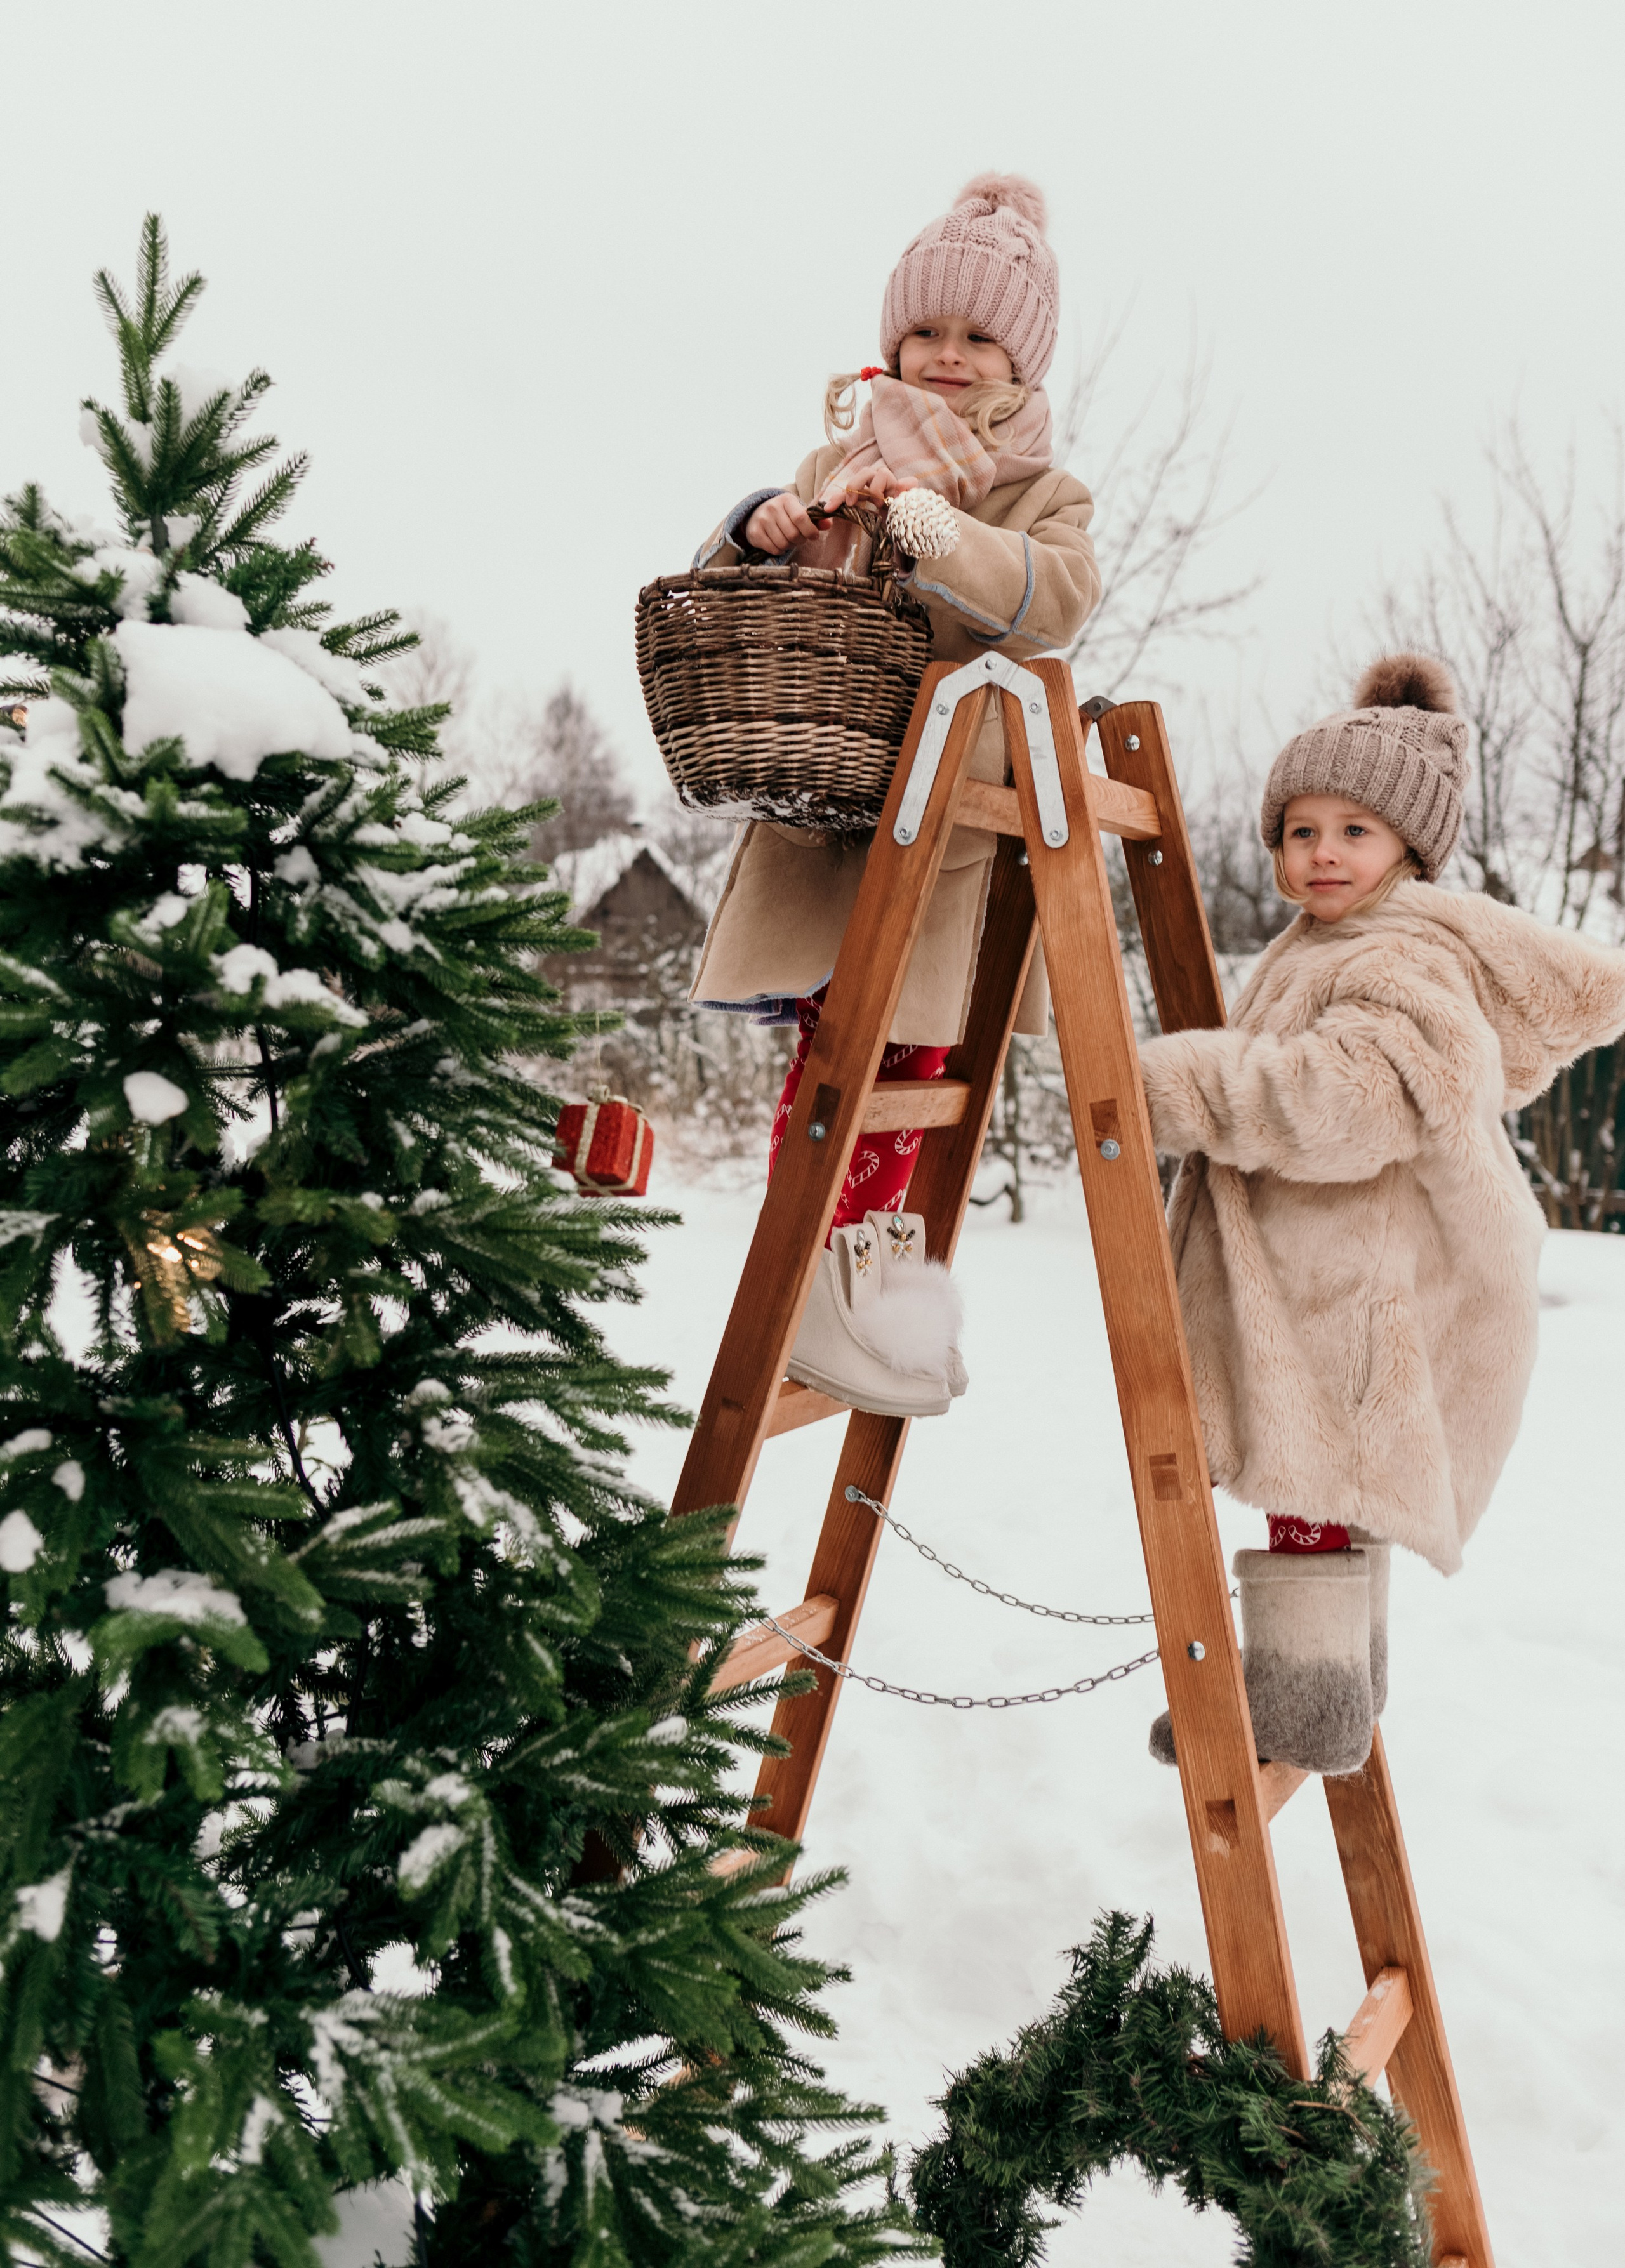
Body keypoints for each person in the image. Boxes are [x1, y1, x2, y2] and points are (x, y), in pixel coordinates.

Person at [1138, 654, 1625, 1775]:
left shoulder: (1397, 956)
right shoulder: (1334, 942)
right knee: (1328, 1494)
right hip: (1327, 1268)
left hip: (1346, 1287)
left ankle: (1304, 1702)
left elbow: (1344, 1101)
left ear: (1408, 848)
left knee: (1310, 1487)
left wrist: (1179, 1087)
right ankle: (1331, 1683)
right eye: (1300, 830)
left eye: (1354, 831)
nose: (1322, 852)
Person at [689, 173, 1101, 1419]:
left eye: (979, 336)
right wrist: (754, 533)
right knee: (834, 1053)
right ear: (892, 340)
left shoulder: (1041, 490)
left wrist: (932, 526)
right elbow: (729, 598)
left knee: (910, 1055)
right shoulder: (838, 458)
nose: (948, 354)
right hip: (835, 800)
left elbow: (1054, 598)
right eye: (926, 330)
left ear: (1021, 360)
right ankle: (816, 1275)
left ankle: (869, 1287)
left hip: (943, 824)